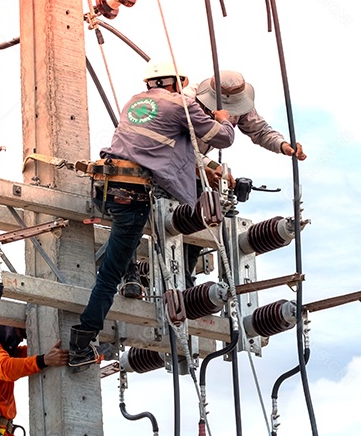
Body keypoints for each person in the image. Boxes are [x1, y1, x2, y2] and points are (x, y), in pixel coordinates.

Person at [68, 59, 236, 369]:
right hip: (133, 195)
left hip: (106, 187)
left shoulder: (134, 102)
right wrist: (224, 119)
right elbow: (222, 138)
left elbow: (160, 145)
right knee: (109, 278)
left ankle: (134, 277)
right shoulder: (182, 105)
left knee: (120, 250)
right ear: (174, 82)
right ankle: (80, 342)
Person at [191, 70, 306, 184]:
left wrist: (283, 145)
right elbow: (179, 148)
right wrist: (207, 167)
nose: (230, 113)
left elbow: (261, 131)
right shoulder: (187, 104)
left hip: (195, 162)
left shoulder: (242, 103)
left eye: (234, 107)